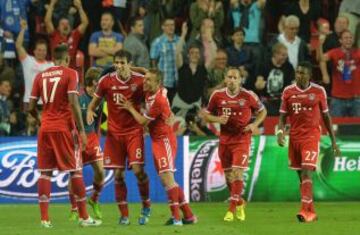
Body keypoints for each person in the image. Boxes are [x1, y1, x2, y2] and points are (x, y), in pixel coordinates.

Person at [28, 44, 101, 228]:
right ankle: (84, 218)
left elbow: (30, 107)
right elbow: (74, 102)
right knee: (75, 171)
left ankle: (45, 220)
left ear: (53, 58)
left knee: (45, 173)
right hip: (64, 129)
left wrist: (41, 121)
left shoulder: (40, 76)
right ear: (67, 59)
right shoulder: (71, 73)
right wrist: (82, 131)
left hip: (45, 129)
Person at [120, 68, 197, 226]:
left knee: (167, 179)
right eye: (145, 79)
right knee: (166, 180)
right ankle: (188, 216)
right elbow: (144, 71)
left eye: (148, 80)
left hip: (165, 140)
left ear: (157, 83)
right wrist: (131, 68)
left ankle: (177, 219)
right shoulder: (152, 90)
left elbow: (142, 122)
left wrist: (130, 108)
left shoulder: (159, 100)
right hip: (157, 140)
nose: (144, 81)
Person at [87, 50, 151, 225]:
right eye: (117, 63)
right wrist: (90, 112)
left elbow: (152, 94)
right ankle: (124, 215)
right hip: (114, 135)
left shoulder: (139, 80)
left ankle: (146, 205)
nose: (119, 66)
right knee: (118, 175)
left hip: (134, 133)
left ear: (129, 64)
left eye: (123, 63)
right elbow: (93, 104)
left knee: (138, 172)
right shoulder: (106, 81)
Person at [277, 61, 341, 223]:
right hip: (295, 137)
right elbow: (283, 115)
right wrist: (280, 132)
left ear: (309, 75)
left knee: (306, 171)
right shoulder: (288, 91)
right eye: (298, 72)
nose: (300, 75)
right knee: (302, 177)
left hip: (311, 137)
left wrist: (333, 141)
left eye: (303, 73)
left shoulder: (319, 91)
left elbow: (326, 116)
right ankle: (311, 211)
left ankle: (304, 211)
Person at [202, 67, 267, 222]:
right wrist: (218, 120)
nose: (231, 80)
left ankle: (232, 210)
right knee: (228, 176)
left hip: (242, 139)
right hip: (225, 140)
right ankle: (239, 202)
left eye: (234, 77)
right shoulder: (217, 95)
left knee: (238, 173)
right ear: (225, 79)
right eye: (229, 77)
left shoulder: (248, 95)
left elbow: (263, 111)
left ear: (240, 80)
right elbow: (206, 115)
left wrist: (254, 125)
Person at [68, 67, 105, 221]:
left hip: (92, 138)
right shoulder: (79, 97)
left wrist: (97, 137)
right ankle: (74, 209)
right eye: (99, 81)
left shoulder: (100, 99)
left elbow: (98, 121)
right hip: (77, 139)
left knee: (101, 172)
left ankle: (94, 199)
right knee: (75, 175)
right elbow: (70, 119)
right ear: (93, 82)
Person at [319, 30, 360, 117]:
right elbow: (321, 59)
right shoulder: (334, 52)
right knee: (336, 128)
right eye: (345, 38)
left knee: (357, 129)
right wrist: (324, 74)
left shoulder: (358, 52)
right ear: (340, 40)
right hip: (338, 99)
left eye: (350, 38)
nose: (348, 40)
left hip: (356, 98)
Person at [16, 19, 54, 108]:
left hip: (45, 103)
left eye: (44, 50)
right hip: (29, 101)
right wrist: (22, 29)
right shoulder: (28, 60)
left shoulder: (51, 65)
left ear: (46, 52)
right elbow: (18, 45)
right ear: (34, 51)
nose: (41, 52)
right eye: (39, 50)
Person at [45, 0, 89, 70]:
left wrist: (80, 7)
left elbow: (85, 23)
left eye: (67, 24)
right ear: (58, 28)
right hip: (56, 70)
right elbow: (47, 21)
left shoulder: (74, 35)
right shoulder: (54, 35)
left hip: (70, 70)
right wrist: (52, 3)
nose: (65, 26)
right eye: (62, 24)